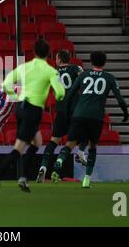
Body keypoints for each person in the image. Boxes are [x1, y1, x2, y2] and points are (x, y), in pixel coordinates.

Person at [0, 39, 66, 194]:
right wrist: (59, 98)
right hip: (33, 110)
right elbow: (60, 92)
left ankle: (23, 178)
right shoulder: (51, 71)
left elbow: (6, 84)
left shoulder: (24, 67)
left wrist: (14, 95)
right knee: (19, 148)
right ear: (48, 54)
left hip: (20, 107)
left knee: (37, 141)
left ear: (35, 52)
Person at [51, 51, 129, 188]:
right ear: (104, 63)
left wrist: (68, 113)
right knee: (92, 146)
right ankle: (86, 179)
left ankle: (59, 161)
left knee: (70, 143)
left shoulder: (83, 75)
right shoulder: (110, 78)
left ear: (91, 62)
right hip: (96, 116)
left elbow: (69, 95)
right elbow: (120, 99)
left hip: (79, 114)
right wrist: (125, 114)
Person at [36, 49, 84, 183]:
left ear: (59, 60)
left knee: (53, 141)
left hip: (61, 111)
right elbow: (84, 80)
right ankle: (58, 164)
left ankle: (43, 166)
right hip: (75, 112)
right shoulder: (76, 68)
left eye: (56, 58)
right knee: (71, 142)